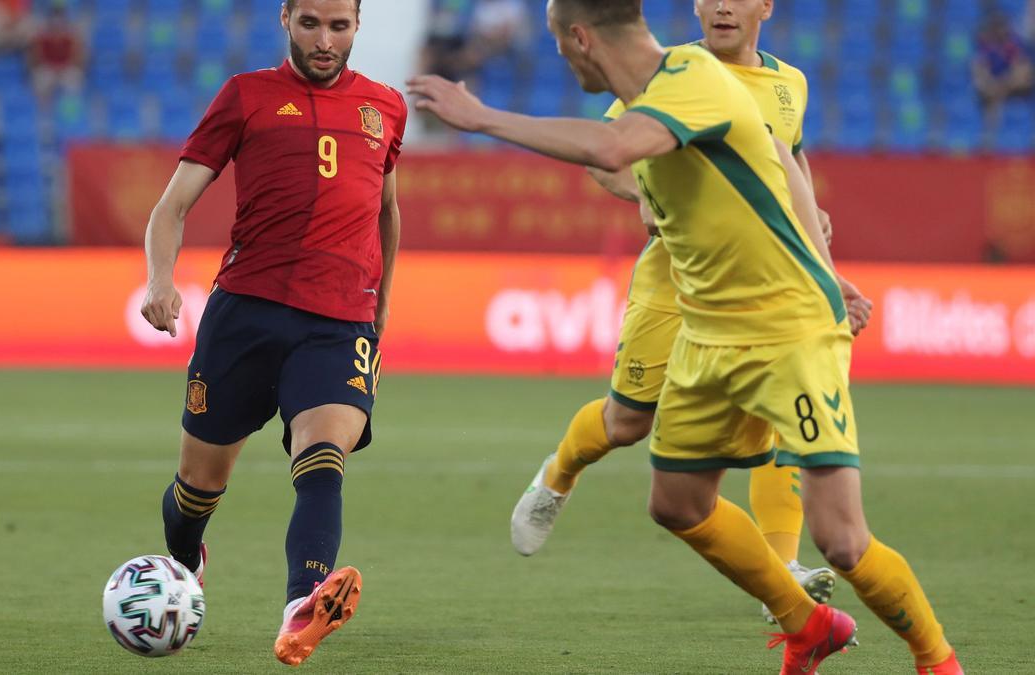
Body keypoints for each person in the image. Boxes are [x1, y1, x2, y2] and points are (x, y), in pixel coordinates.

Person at [408, 1, 962, 673]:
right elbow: (741, 162)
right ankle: (806, 622)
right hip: (705, 321)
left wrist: (482, 116)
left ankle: (936, 659)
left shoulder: (697, 77)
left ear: (581, 39)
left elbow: (661, 151)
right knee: (675, 500)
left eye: (559, 45)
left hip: (785, 327)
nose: (558, 57)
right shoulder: (667, 89)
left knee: (841, 539)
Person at [509, 0, 838, 626]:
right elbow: (609, 157)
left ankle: (782, 566)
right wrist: (656, 195)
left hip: (759, 283)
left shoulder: (790, 83)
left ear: (764, 6)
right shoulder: (670, 72)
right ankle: (558, 473)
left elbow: (789, 156)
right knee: (627, 421)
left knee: (779, 409)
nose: (719, 6)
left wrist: (806, 211)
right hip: (676, 276)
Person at [139, 0, 406, 666]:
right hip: (246, 314)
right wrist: (160, 280)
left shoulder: (385, 107)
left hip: (340, 320)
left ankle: (301, 607)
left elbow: (386, 212)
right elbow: (171, 206)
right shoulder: (246, 96)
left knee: (322, 459)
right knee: (198, 488)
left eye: (339, 26)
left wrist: (380, 316)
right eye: (311, 23)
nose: (325, 40)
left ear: (357, 27)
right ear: (285, 19)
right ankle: (183, 556)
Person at [972, 13, 1034, 139]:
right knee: (989, 97)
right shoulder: (985, 46)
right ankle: (990, 137)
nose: (1000, 32)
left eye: (1003, 28)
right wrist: (991, 85)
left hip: (1014, 88)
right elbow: (979, 70)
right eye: (997, 29)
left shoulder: (1015, 44)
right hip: (992, 89)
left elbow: (1022, 70)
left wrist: (1005, 84)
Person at [27, 5, 85, 104]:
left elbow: (76, 57)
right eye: (55, 20)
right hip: (48, 69)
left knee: (74, 80)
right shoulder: (42, 37)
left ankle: (69, 111)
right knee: (40, 80)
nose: (57, 23)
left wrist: (62, 69)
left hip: (66, 69)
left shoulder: (72, 37)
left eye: (60, 20)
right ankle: (43, 111)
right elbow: (37, 57)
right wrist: (52, 69)